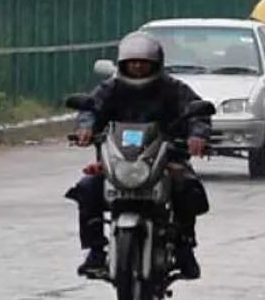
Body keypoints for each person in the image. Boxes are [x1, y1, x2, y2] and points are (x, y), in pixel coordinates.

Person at [66, 31, 212, 280]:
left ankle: (185, 248)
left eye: (143, 62)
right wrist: (86, 126)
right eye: (132, 62)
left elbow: (196, 112)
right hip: (119, 159)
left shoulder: (173, 89)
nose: (137, 66)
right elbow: (91, 108)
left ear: (156, 64)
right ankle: (95, 251)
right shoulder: (111, 88)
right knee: (88, 187)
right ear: (123, 63)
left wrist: (197, 134)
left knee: (186, 186)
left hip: (165, 157)